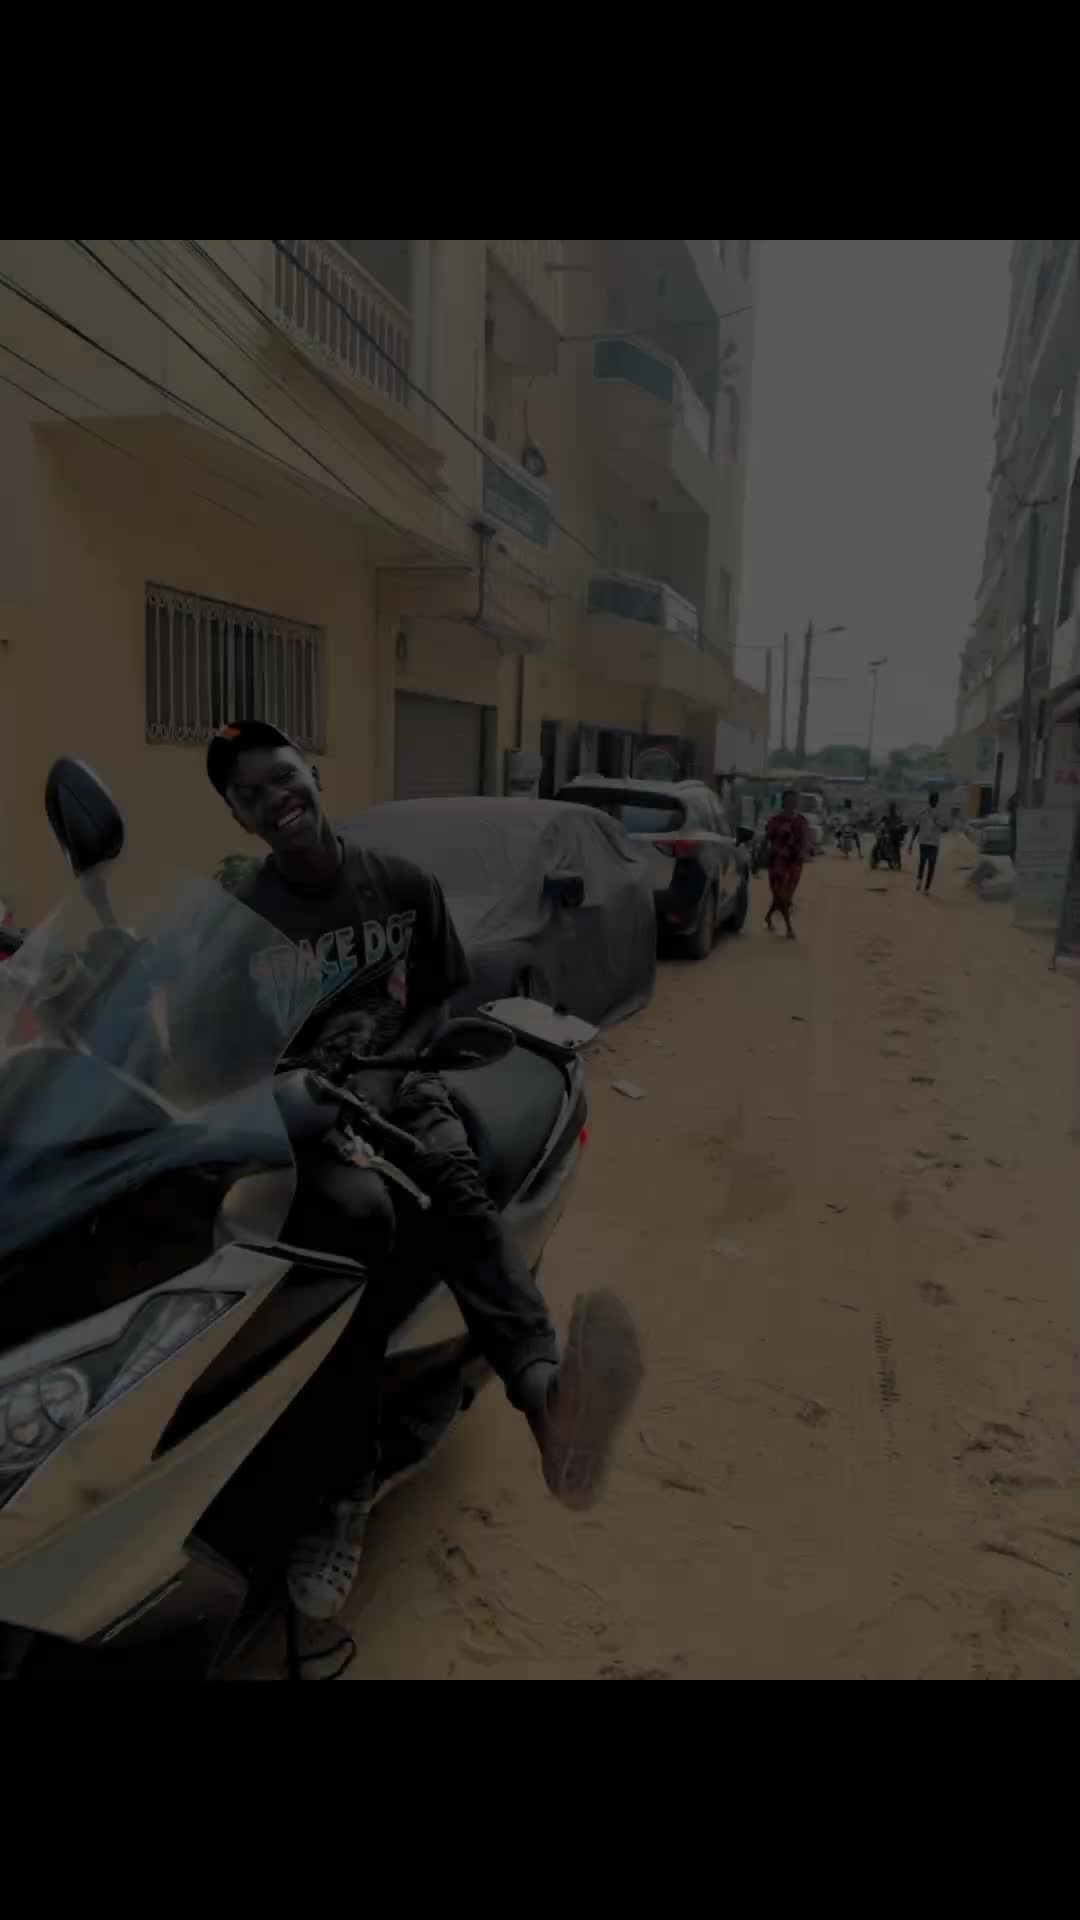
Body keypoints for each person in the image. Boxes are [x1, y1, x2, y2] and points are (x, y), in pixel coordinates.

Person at [205, 721, 643, 1620]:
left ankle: (535, 1402)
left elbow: (439, 996)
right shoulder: (242, 913)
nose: (274, 798)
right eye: (249, 794)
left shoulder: (401, 885)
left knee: (441, 1201)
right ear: (238, 816)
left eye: (281, 776)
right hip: (287, 1107)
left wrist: (386, 1072)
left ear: (312, 772)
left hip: (397, 1087)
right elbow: (208, 1027)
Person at [764, 788, 810, 938]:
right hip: (777, 863)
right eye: (789, 800)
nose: (792, 802)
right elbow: (766, 839)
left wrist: (803, 854)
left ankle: (768, 916)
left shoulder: (801, 821)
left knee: (783, 896)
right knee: (780, 895)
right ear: (783, 802)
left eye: (794, 800)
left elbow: (804, 841)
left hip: (794, 864)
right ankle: (789, 928)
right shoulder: (774, 821)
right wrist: (758, 860)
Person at [909, 790, 945, 893]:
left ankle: (920, 882)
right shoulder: (938, 814)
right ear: (937, 801)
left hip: (925, 842)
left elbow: (916, 828)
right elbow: (943, 828)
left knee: (923, 862)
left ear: (929, 800)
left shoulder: (923, 812)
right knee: (931, 865)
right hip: (932, 844)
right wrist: (944, 828)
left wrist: (911, 842)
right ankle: (926, 887)